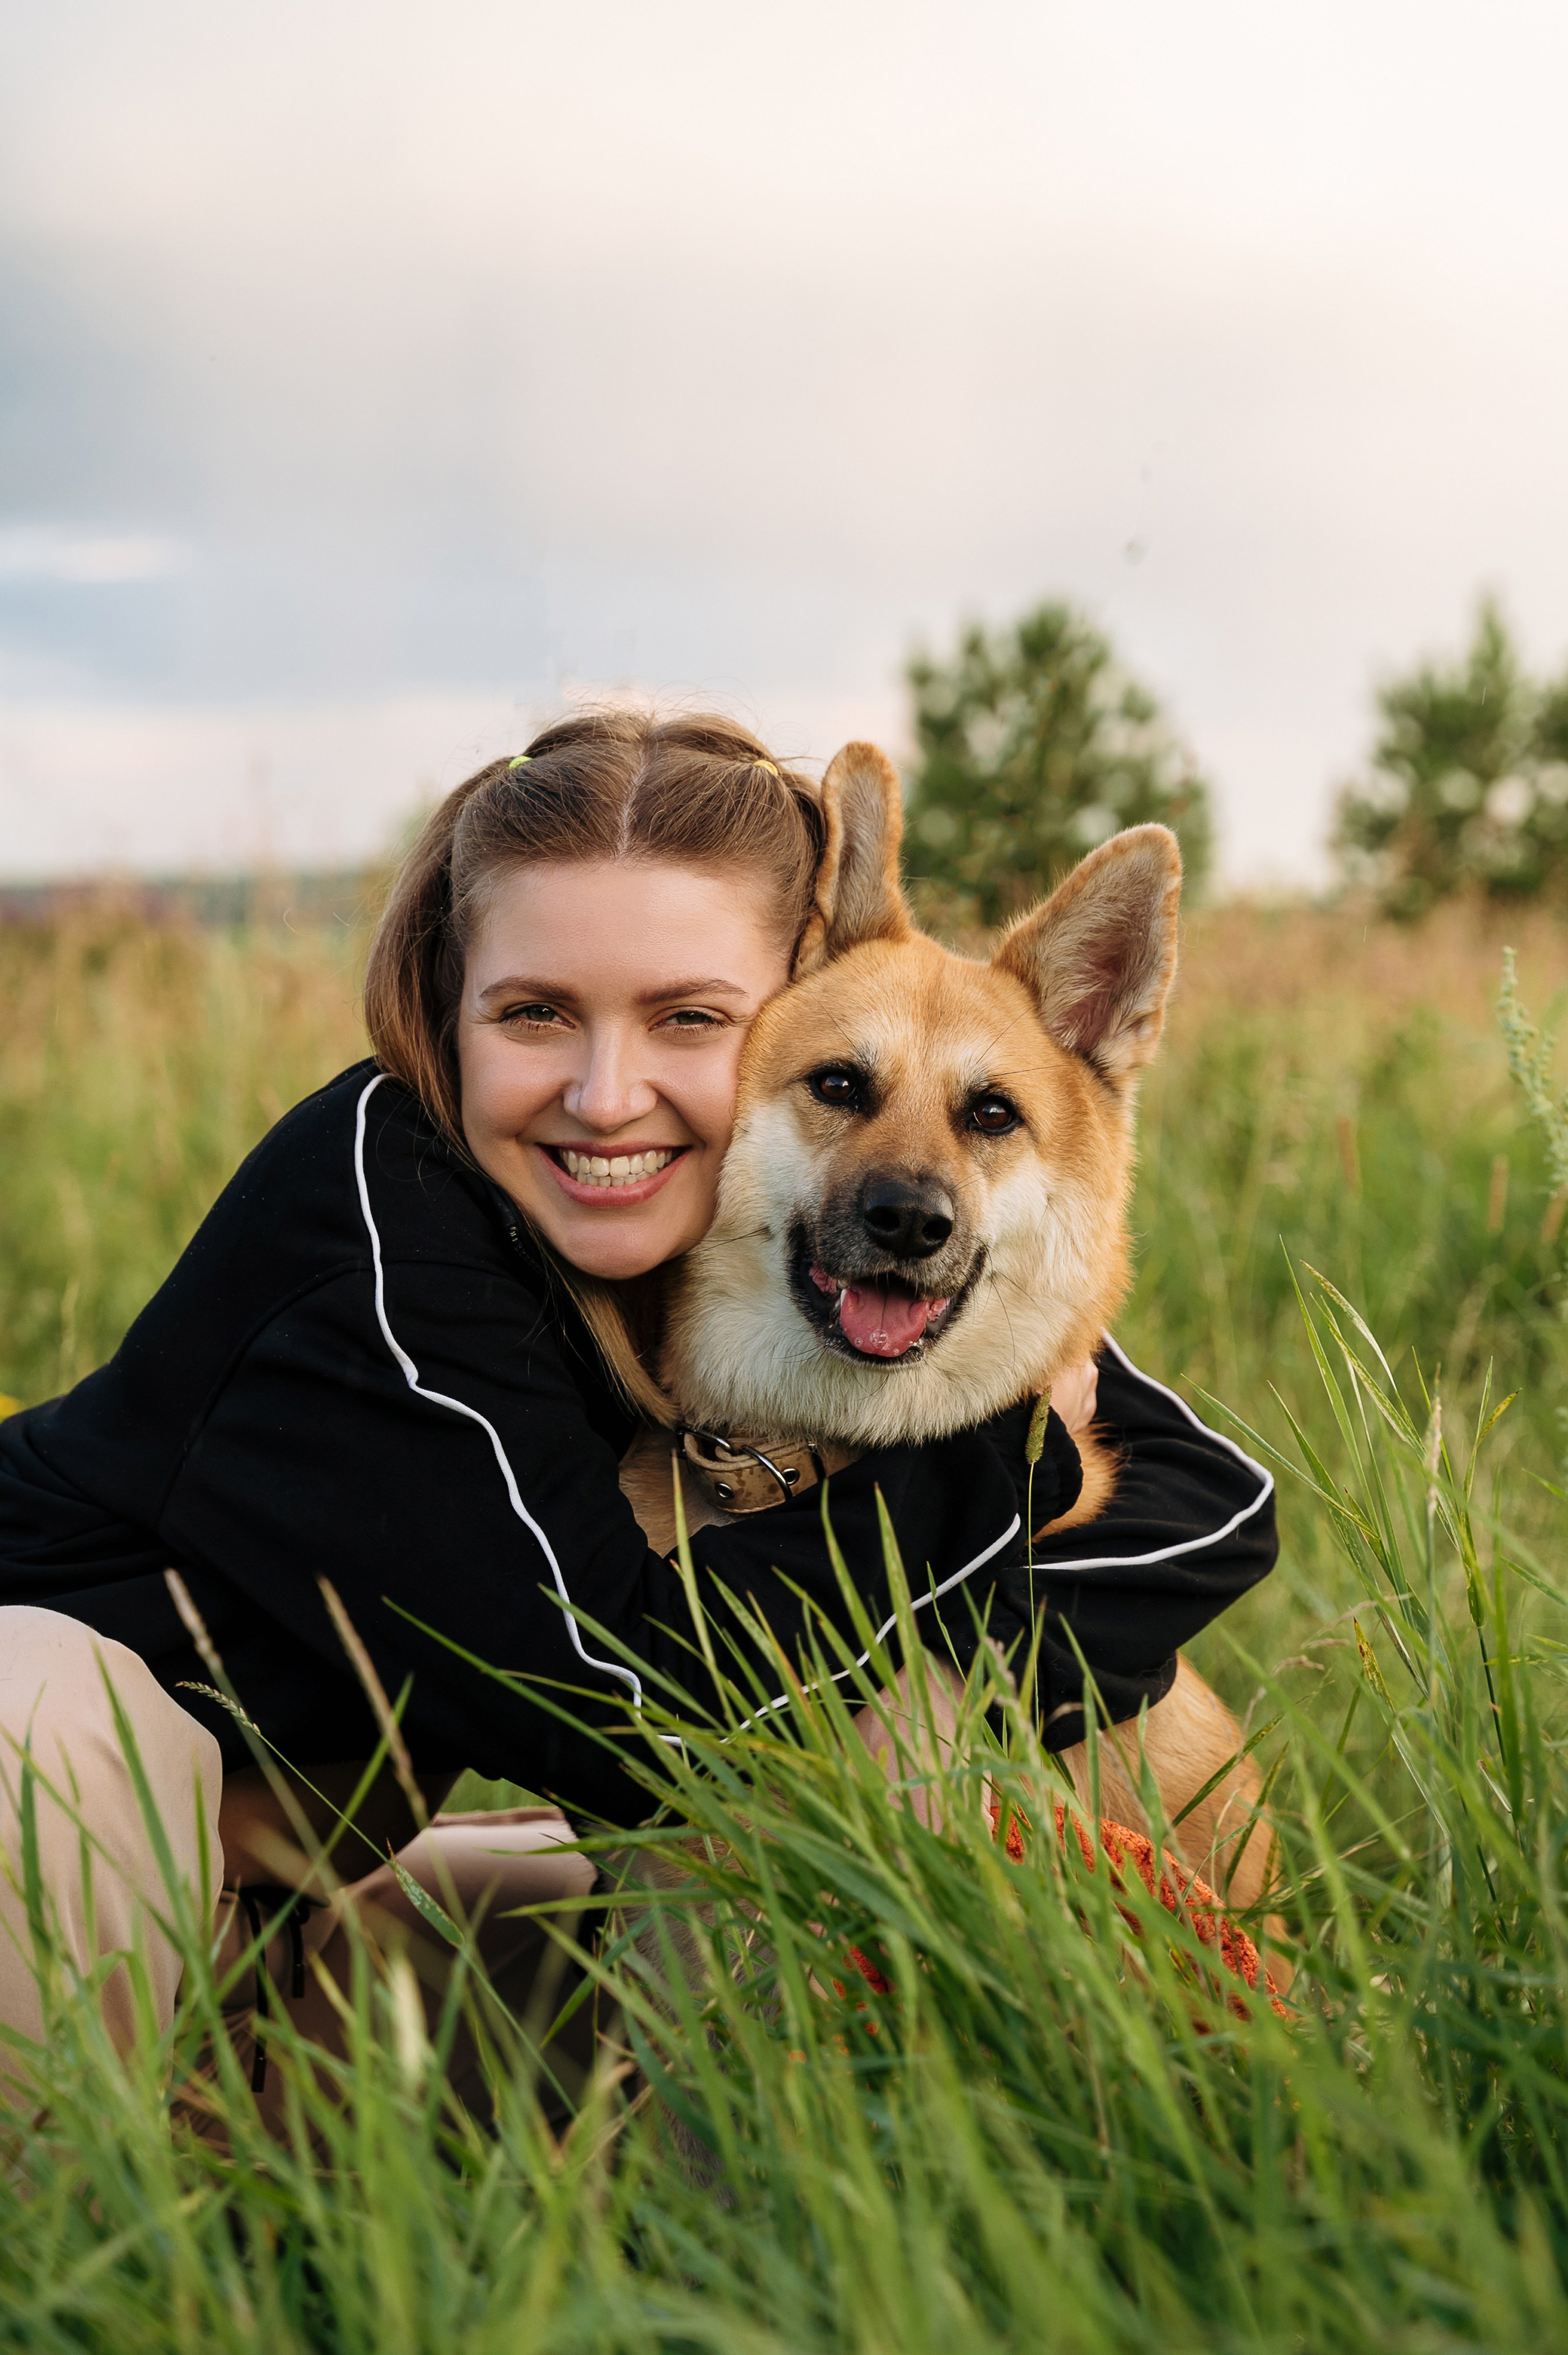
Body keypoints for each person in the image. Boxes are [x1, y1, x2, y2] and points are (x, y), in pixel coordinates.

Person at [0, 711, 1276, 2101]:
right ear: (448, 1004)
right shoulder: (386, 1240)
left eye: (686, 1018)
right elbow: (641, 1708)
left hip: (260, 1889)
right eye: (535, 1012)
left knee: (723, 1921)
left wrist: (1019, 1510)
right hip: (61, 1779)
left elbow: (1198, 1483)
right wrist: (1010, 1471)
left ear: (770, 999)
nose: (609, 1098)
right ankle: (78, 2194)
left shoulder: (673, 1218)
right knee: (43, 1714)